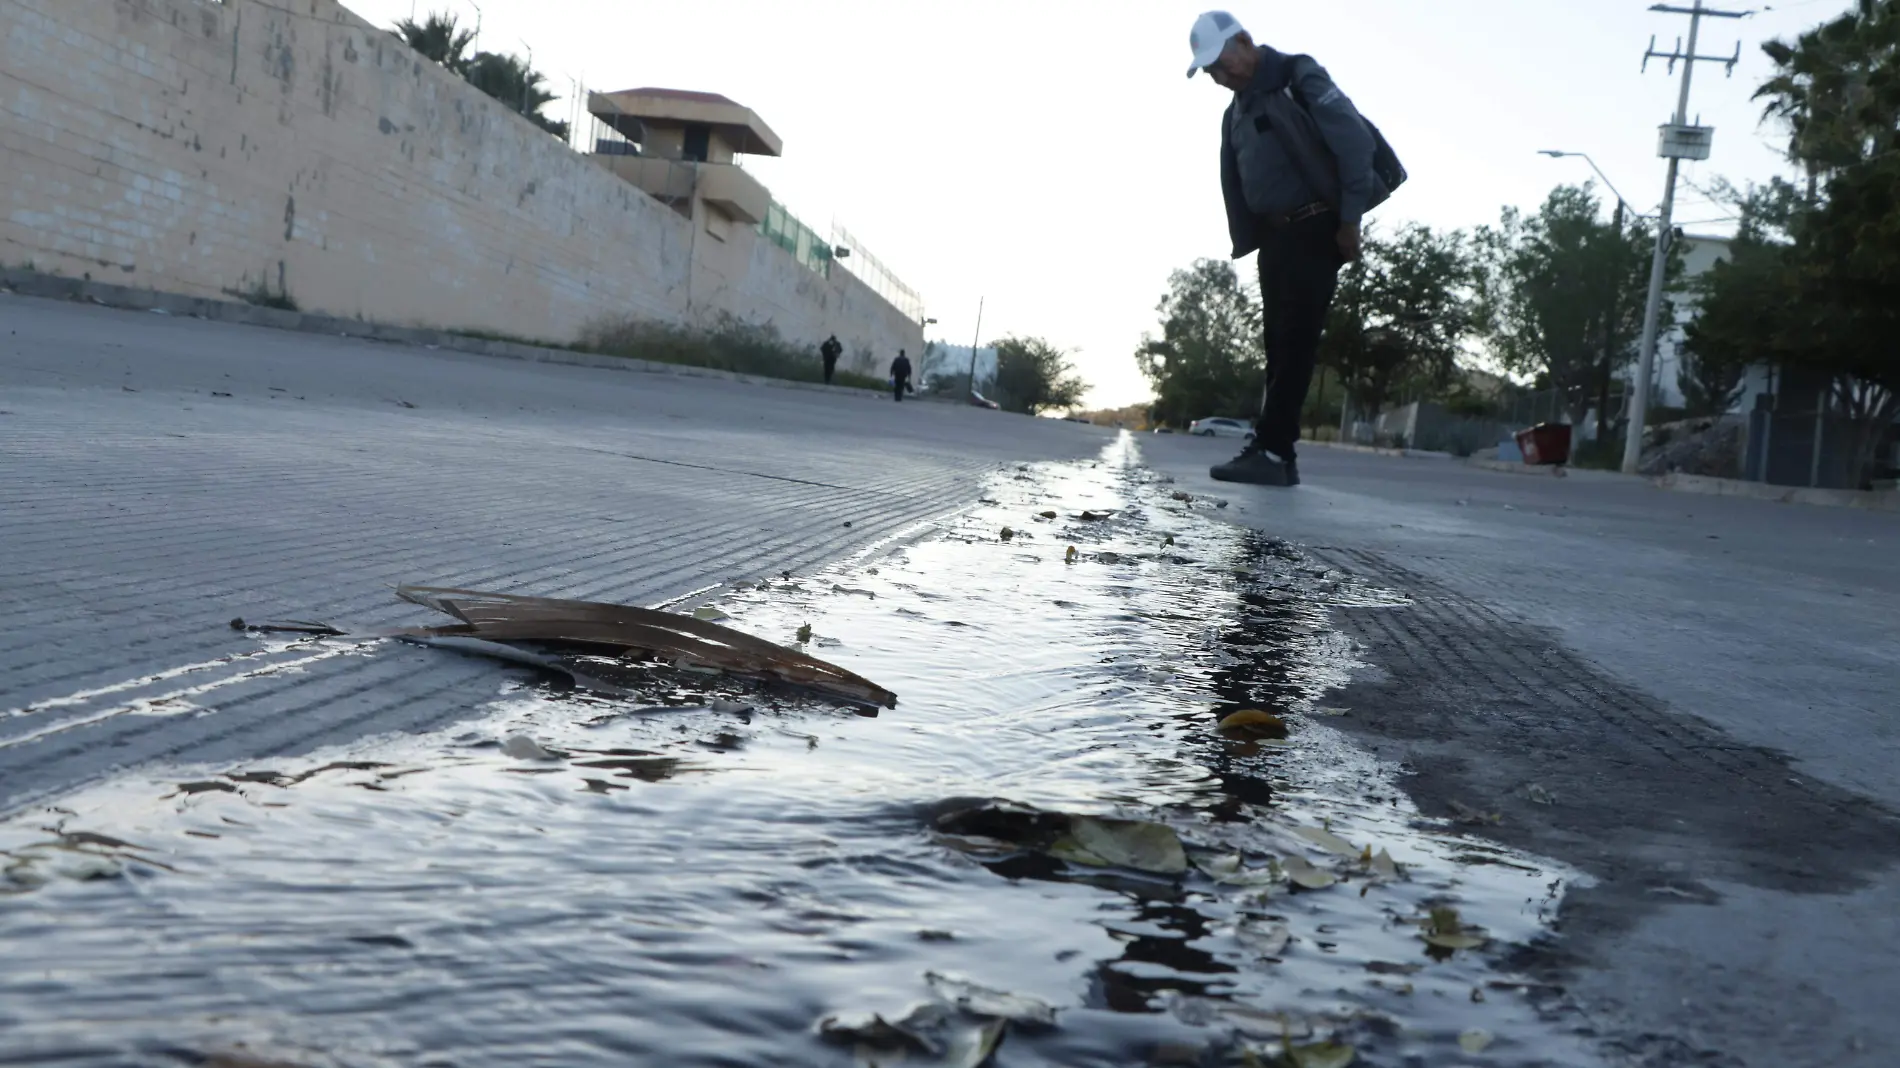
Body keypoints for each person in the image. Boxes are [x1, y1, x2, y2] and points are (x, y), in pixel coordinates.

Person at [1189, 10, 1377, 487]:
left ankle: (1274, 453)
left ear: (1246, 42)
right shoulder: (1236, 110)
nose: (1218, 75)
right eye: (1210, 71)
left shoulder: (1296, 74)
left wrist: (1350, 219)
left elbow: (1354, 140)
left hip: (1314, 227)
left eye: (1221, 63)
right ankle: (1274, 451)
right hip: (1275, 239)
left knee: (1295, 342)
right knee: (1278, 345)